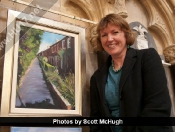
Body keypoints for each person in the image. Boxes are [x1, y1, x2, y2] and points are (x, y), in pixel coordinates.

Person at [90, 13, 173, 132]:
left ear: (126, 35)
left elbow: (158, 107)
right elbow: (96, 119)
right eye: (104, 35)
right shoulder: (97, 77)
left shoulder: (147, 58)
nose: (109, 39)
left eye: (115, 32)